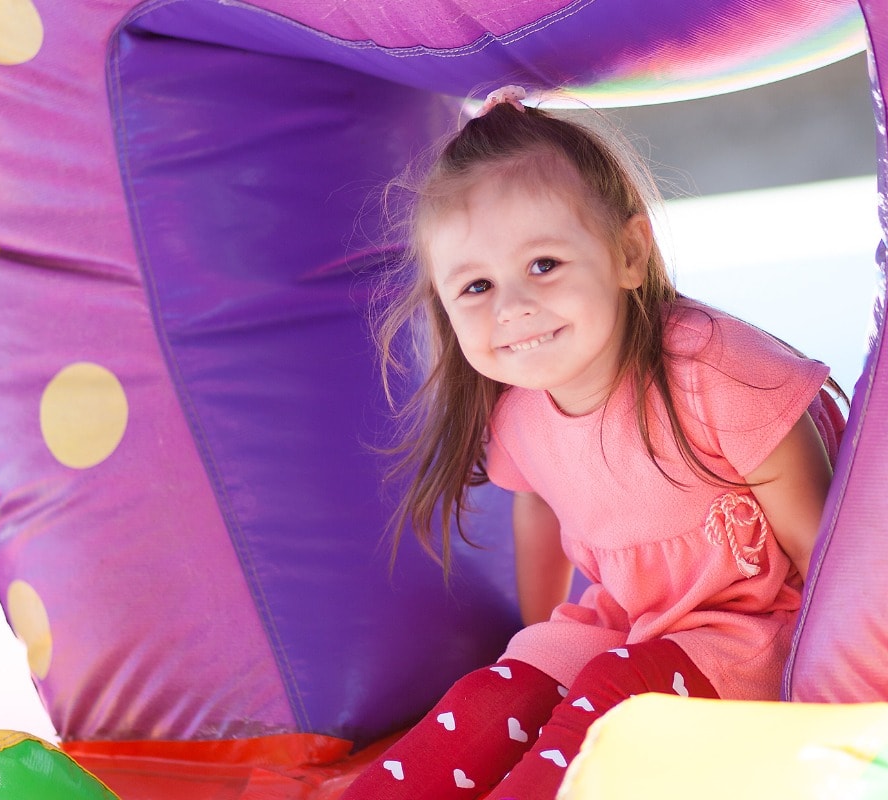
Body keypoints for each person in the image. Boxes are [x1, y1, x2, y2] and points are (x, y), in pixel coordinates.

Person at [343, 86, 845, 800]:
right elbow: (538, 512)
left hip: (758, 630)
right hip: (632, 623)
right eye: (477, 286)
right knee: (494, 696)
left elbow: (820, 548)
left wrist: (843, 695)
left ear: (629, 253)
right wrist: (537, 640)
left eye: (543, 265)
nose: (512, 306)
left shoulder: (718, 375)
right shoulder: (519, 414)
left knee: (616, 695)